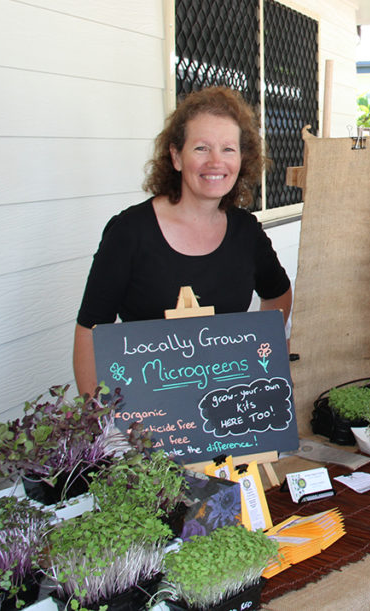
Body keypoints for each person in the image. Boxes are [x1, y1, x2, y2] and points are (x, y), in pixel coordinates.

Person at [73, 86, 292, 397]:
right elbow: (89, 332)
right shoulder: (129, 232)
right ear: (176, 156)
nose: (216, 161)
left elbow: (278, 294)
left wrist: (257, 350)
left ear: (243, 159)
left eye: (228, 149)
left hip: (228, 413)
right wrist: (97, 420)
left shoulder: (246, 232)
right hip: (148, 423)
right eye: (201, 148)